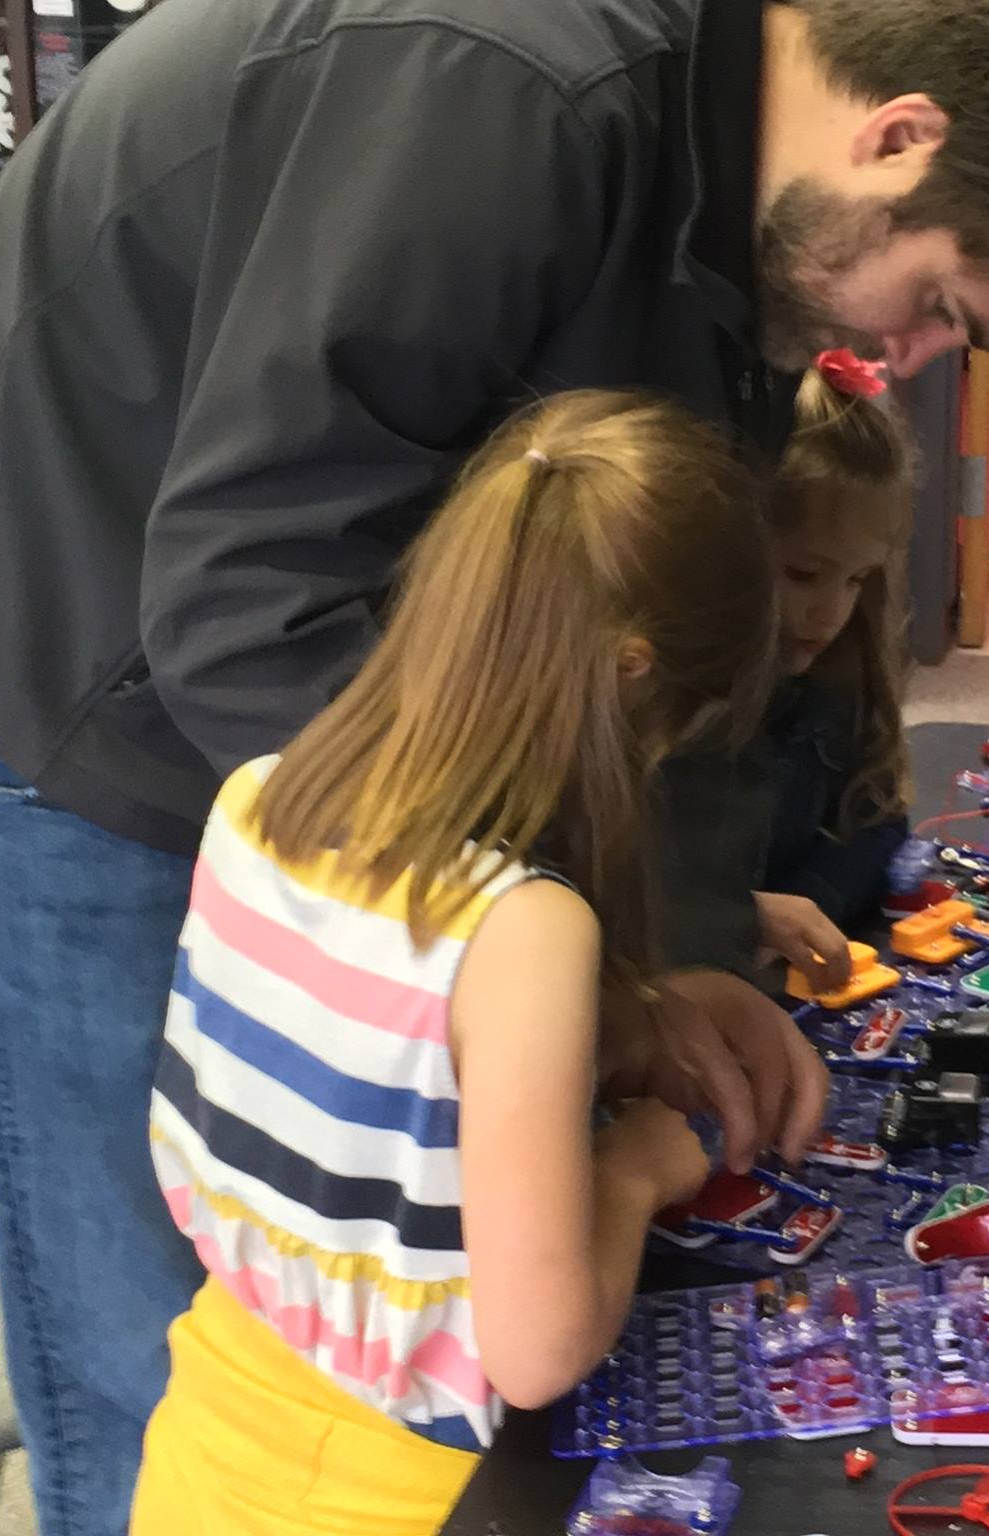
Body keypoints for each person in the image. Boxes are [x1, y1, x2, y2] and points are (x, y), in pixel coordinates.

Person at [0, 0, 989, 1523]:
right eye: (939, 312)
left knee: (360, 1291)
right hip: (74, 657)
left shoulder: (753, 218)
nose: (898, 361)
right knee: (168, 1342)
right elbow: (255, 610)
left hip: (290, 693)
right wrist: (558, 976)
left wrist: (677, 959)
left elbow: (681, 632)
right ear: (898, 137)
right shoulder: (497, 89)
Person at [129, 390, 772, 1534]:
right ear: (632, 674)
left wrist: (624, 1018)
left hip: (204, 1454)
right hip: (405, 1501)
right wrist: (633, 1169)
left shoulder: (261, 800)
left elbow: (365, 1079)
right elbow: (532, 1353)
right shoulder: (520, 930)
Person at [751, 354, 918, 985]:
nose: (830, 612)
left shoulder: (839, 674)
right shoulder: (670, 699)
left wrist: (812, 901)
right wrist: (737, 915)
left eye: (856, 579)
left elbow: (878, 814)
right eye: (802, 574)